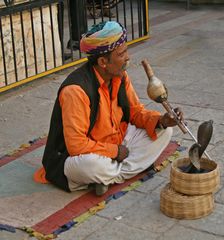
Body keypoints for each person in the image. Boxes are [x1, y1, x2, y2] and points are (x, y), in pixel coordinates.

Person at [36, 21, 183, 196]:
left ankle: (107, 177)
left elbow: (135, 112)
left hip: (118, 142)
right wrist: (114, 151)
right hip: (77, 156)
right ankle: (115, 172)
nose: (127, 58)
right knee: (93, 166)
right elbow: (76, 145)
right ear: (103, 61)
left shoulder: (120, 77)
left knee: (165, 132)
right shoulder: (76, 90)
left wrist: (162, 120)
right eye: (121, 54)